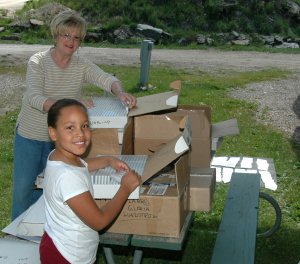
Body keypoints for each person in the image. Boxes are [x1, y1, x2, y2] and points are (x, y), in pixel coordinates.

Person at [11, 9, 137, 220]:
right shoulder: (38, 61)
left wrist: (120, 91)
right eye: (66, 35)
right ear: (56, 35)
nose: (71, 41)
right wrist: (71, 103)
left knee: (50, 190)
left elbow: (106, 78)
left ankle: (42, 235)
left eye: (76, 37)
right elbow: (34, 98)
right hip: (30, 136)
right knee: (24, 190)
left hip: (61, 141)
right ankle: (17, 239)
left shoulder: (81, 65)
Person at [39, 98, 141, 264]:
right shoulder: (67, 178)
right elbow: (99, 222)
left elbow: (83, 165)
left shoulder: (59, 157)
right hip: (68, 256)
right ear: (53, 133)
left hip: (57, 242)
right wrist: (125, 188)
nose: (80, 133)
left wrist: (108, 160)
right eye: (70, 128)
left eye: (84, 126)